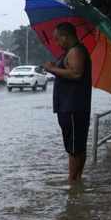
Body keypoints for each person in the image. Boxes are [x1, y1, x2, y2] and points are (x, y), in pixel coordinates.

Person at [42, 22, 92, 182]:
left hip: (72, 107)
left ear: (65, 36)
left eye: (58, 39)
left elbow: (76, 73)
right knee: (76, 146)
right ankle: (77, 181)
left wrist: (52, 69)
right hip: (71, 106)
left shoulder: (76, 51)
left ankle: (73, 183)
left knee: (74, 149)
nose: (57, 42)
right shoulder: (72, 51)